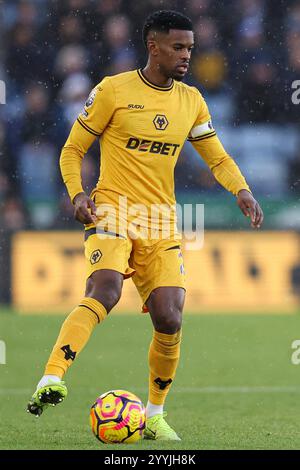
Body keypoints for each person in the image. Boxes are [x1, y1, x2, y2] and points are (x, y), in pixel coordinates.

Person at [27, 10, 264, 441]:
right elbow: (71, 149)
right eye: (178, 47)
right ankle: (52, 377)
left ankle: (154, 414)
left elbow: (216, 156)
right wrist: (78, 194)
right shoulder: (113, 91)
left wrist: (241, 190)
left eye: (190, 47)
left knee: (170, 317)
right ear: (153, 46)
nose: (187, 55)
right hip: (112, 211)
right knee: (106, 289)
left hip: (160, 220)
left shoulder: (191, 100)